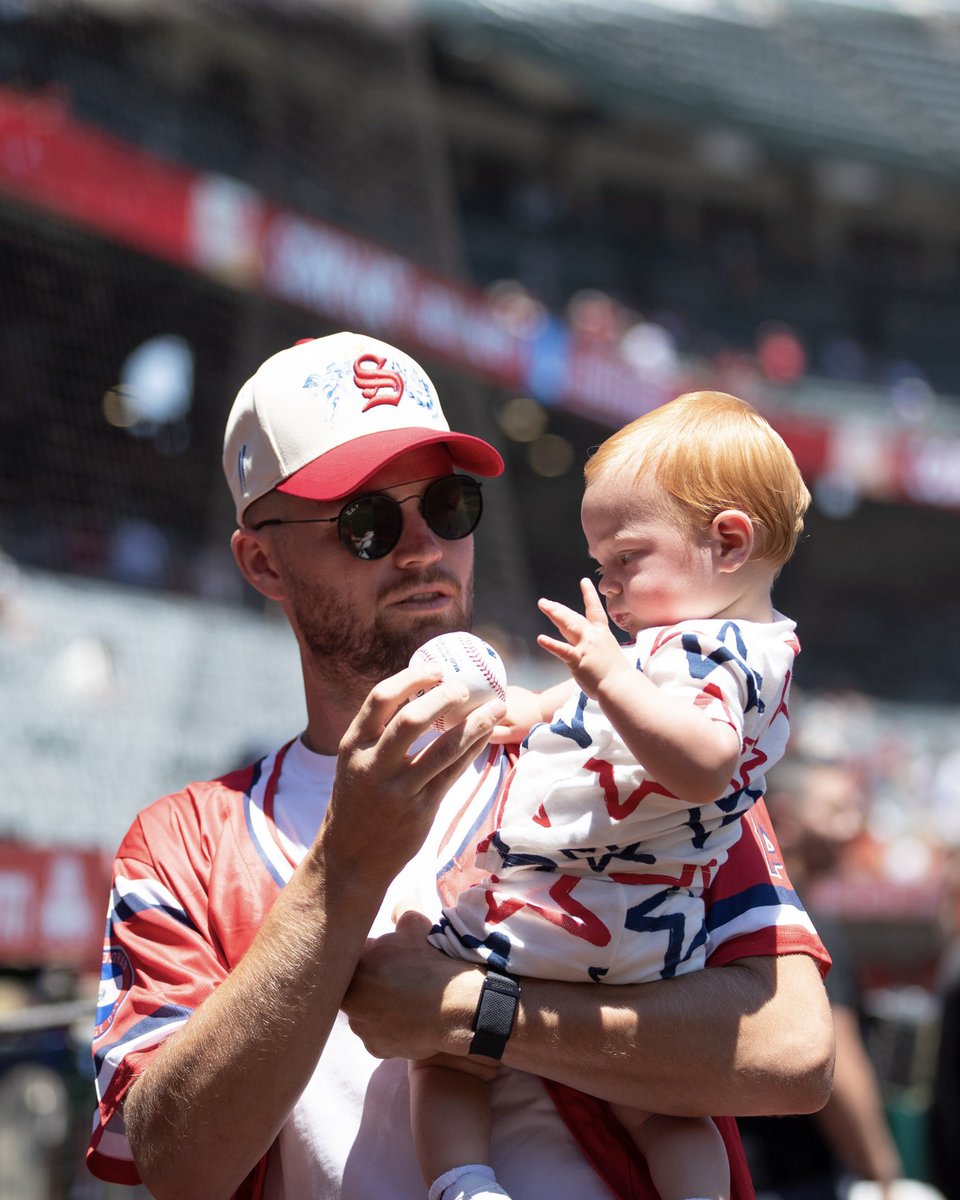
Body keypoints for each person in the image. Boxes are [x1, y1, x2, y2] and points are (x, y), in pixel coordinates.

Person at [85, 332, 834, 1200]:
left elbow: (792, 1052)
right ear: (263, 561)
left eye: (447, 506)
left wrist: (477, 1015)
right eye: (364, 521)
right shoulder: (183, 841)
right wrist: (345, 870)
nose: (422, 549)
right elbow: (177, 1164)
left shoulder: (625, 742)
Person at [409, 392, 807, 1200]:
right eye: (601, 563)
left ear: (728, 543)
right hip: (650, 941)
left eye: (625, 557)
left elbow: (703, 759)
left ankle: (463, 1183)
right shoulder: (700, 641)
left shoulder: (727, 654)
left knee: (443, 1052)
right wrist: (539, 703)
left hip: (573, 902)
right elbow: (620, 701)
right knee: (663, 1115)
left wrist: (606, 671)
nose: (607, 581)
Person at [738, 753, 904, 1200]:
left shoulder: (735, 915)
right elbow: (837, 1066)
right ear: (787, 819)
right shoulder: (806, 926)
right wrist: (885, 1173)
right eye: (836, 811)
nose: (852, 828)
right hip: (795, 1180)